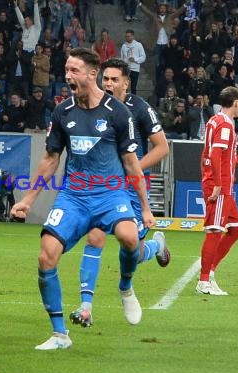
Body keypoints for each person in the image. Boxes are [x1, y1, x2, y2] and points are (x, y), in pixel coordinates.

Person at [10, 48, 154, 350]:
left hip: (110, 193)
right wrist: (29, 199)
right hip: (73, 197)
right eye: (66, 70)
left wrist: (144, 206)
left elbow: (131, 163)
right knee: (45, 256)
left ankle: (125, 288)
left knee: (129, 238)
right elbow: (50, 158)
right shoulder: (63, 112)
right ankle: (60, 334)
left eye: (74, 70)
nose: (67, 76)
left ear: (92, 74)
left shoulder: (118, 112)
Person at [69, 58, 170, 328]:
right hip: (106, 185)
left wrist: (132, 169)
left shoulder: (140, 109)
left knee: (132, 249)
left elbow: (162, 148)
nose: (109, 84)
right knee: (95, 236)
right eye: (106, 79)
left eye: (115, 79)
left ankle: (156, 247)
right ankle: (86, 306)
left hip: (132, 186)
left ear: (127, 82)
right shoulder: (94, 106)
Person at [196, 86, 238, 296]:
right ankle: (204, 280)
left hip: (222, 185)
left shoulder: (214, 120)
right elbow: (215, 153)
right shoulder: (225, 124)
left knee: (236, 229)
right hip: (220, 185)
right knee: (215, 230)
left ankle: (210, 272)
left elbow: (207, 152)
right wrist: (217, 183)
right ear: (236, 102)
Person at [119, 29, 146, 95]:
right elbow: (122, 58)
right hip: (126, 69)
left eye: (128, 36)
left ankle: (133, 102)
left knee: (133, 87)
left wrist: (135, 59)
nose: (127, 38)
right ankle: (124, 101)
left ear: (133, 36)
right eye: (126, 36)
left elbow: (143, 57)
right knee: (125, 87)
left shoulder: (138, 45)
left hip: (135, 69)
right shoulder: (124, 46)